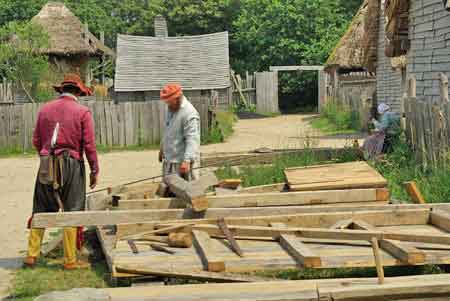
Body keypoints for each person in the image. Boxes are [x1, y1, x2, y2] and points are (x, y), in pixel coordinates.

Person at [24, 74, 99, 269]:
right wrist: (94, 170)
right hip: (71, 164)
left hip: (46, 162)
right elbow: (89, 145)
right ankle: (70, 260)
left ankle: (31, 255)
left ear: (62, 90)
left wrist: (45, 159)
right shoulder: (83, 112)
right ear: (78, 92)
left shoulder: (44, 110)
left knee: (40, 208)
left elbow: (36, 141)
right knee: (72, 209)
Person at [159, 83, 201, 183]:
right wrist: (162, 149)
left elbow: (192, 139)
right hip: (171, 160)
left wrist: (187, 161)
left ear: (177, 98)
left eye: (170, 102)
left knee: (190, 192)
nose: (168, 105)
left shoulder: (189, 113)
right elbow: (168, 130)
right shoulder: (171, 109)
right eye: (167, 102)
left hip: (184, 162)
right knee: (169, 192)